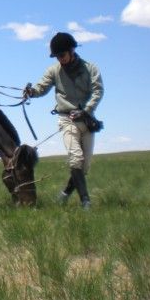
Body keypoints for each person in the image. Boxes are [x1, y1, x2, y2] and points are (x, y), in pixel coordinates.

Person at [24, 32, 104, 209]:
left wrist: (86, 111)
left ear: (72, 50)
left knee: (84, 167)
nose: (60, 59)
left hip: (87, 120)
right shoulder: (54, 71)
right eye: (57, 56)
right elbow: (42, 87)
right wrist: (31, 92)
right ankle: (86, 203)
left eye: (62, 55)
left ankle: (65, 194)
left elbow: (98, 91)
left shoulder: (91, 69)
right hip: (66, 119)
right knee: (75, 158)